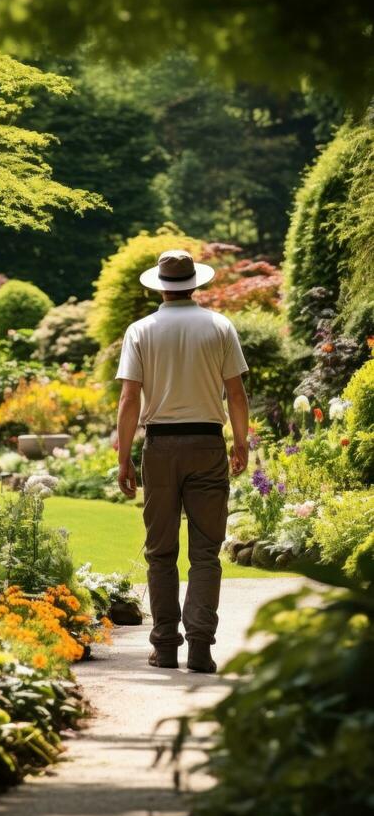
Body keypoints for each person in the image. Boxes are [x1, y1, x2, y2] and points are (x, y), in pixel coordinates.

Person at [115, 249, 249, 673]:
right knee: (206, 553)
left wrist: (123, 457)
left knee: (161, 552)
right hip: (208, 445)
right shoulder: (219, 326)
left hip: (160, 449)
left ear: (160, 285)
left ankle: (166, 646)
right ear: (194, 283)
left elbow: (129, 398)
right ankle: (200, 648)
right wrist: (240, 442)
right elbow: (237, 393)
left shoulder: (140, 331)